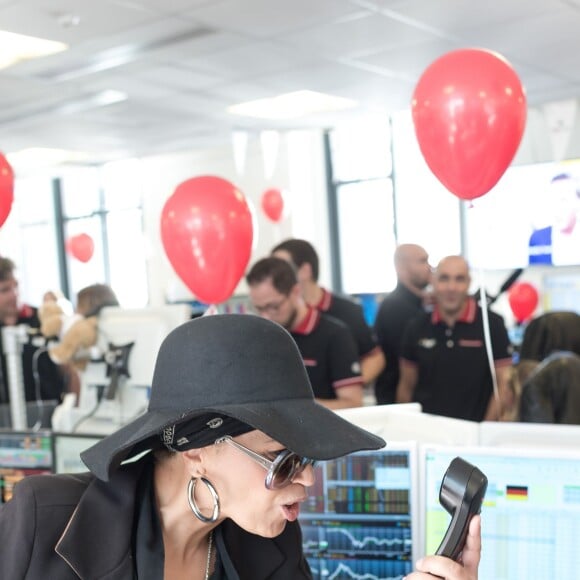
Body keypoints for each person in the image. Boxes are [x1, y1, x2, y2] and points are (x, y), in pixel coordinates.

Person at [0, 315, 481, 580]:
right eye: (281, 458)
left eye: (305, 458)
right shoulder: (44, 522)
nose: (307, 479)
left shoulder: (269, 546)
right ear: (196, 450)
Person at [397, 255, 513, 421]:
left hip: (475, 434)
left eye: (459, 279)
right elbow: (406, 388)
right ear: (434, 282)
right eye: (444, 279)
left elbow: (504, 384)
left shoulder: (492, 325)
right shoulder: (415, 327)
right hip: (428, 436)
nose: (451, 287)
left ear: (469, 282)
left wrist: (484, 431)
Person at [246, 257, 364, 409]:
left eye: (273, 306)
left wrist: (296, 409)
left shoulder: (335, 335)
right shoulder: (260, 336)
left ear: (295, 291)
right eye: (258, 308)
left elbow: (353, 403)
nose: (265, 316)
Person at [271, 238, 385, 386]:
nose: (274, 277)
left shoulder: (347, 311)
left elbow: (374, 357)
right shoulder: (277, 313)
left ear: (305, 270)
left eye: (282, 270)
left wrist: (347, 384)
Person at [0, 256, 66, 405]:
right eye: (5, 290)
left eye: (15, 286)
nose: (14, 294)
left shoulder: (44, 320)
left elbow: (69, 368)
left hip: (51, 414)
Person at [373, 244, 432, 404]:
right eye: (422, 261)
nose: (429, 267)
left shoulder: (420, 304)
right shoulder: (396, 308)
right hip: (397, 401)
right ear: (401, 267)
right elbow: (410, 360)